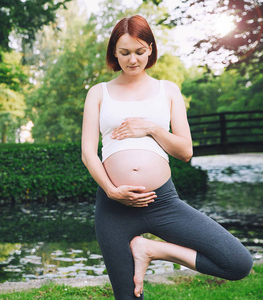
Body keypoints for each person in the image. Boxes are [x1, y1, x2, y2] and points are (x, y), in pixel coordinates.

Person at [81, 15, 253, 299]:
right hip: (114, 208)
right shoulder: (99, 93)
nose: (132, 60)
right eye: (124, 53)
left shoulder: (168, 91)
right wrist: (112, 191)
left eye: (139, 51)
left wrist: (151, 128)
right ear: (114, 52)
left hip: (163, 203)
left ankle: (151, 249)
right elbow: (88, 152)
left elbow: (186, 151)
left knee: (238, 263)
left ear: (150, 48)